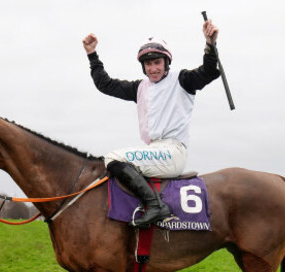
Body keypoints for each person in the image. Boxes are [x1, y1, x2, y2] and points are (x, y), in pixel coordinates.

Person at [82, 20, 220, 227]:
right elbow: (105, 84)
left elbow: (208, 72)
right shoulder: (140, 88)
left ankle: (155, 206)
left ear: (166, 63)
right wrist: (92, 55)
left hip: (173, 151)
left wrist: (210, 44)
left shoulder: (182, 80)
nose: (153, 68)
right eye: (148, 64)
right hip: (154, 151)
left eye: (157, 63)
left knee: (113, 158)